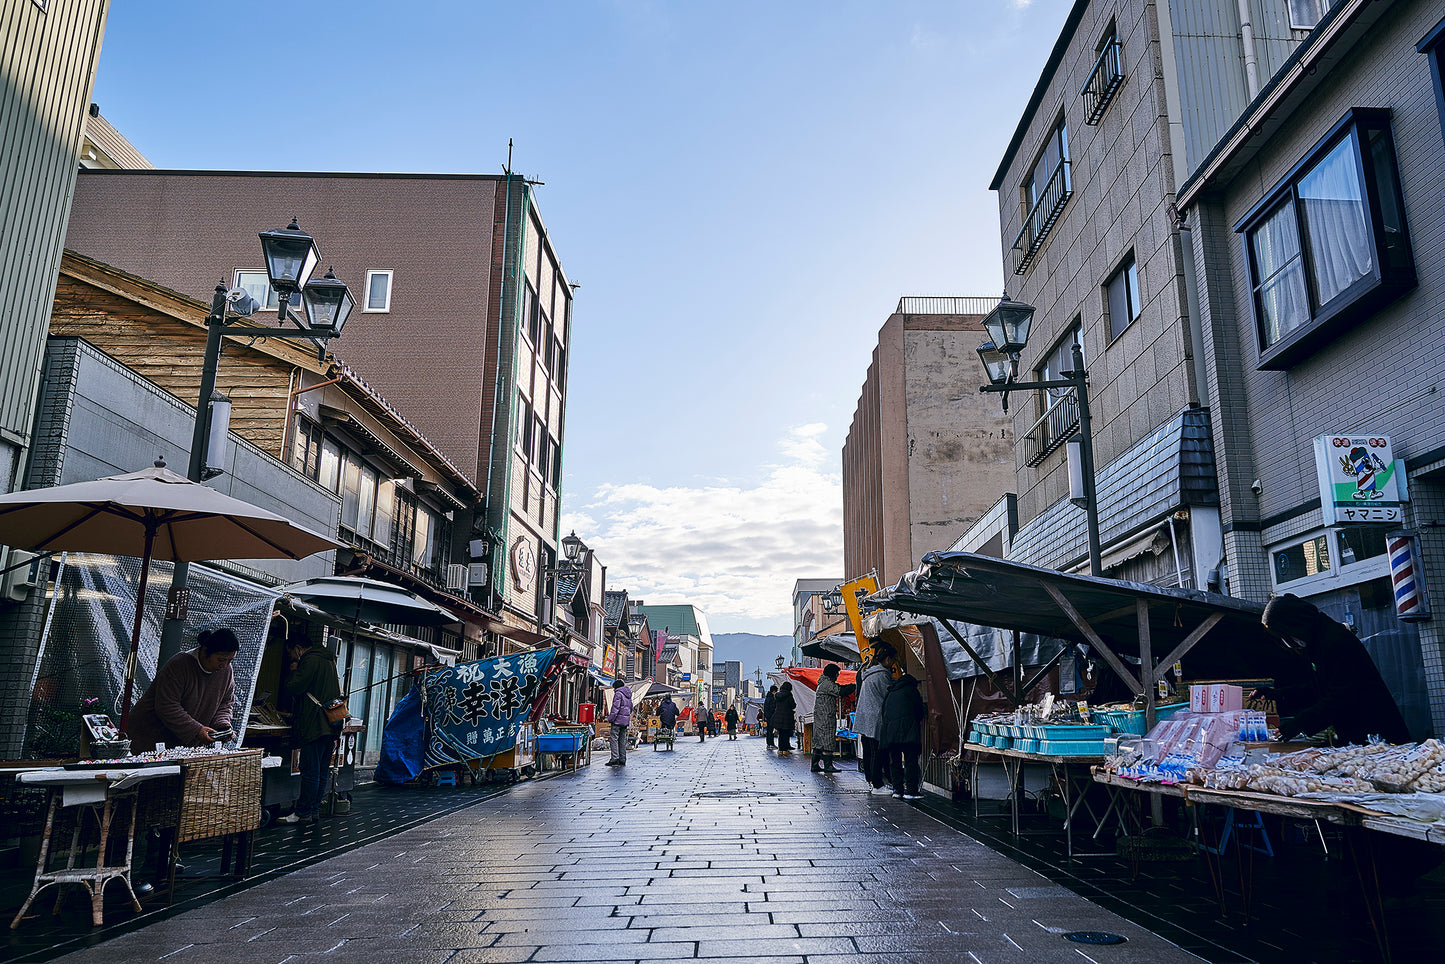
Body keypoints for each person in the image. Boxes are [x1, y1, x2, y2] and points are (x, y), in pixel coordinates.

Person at [1259, 593, 1411, 745]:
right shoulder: (1320, 640)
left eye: (1283, 635)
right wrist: (1277, 694)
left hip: (1374, 732)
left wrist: (1298, 724)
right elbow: (1320, 687)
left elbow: (1341, 696)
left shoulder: (1334, 642)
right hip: (1358, 730)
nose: (1285, 641)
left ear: (1293, 624)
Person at [127, 628, 239, 752]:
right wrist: (197, 730)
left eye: (230, 660)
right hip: (147, 737)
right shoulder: (179, 665)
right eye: (221, 660)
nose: (224, 665)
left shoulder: (226, 671)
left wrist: (222, 725)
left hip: (181, 745)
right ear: (205, 651)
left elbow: (225, 703)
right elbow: (167, 705)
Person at [280, 633, 343, 824]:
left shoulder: (310, 660)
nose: (293, 658)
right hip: (330, 723)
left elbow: (294, 687)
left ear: (298, 648)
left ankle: (303, 812)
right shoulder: (328, 660)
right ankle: (314, 809)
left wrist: (293, 671)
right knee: (322, 770)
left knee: (310, 770)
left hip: (315, 724)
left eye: (292, 654)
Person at [853, 646, 895, 794]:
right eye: (893, 660)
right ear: (888, 659)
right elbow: (888, 696)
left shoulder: (868, 673)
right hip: (875, 718)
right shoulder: (882, 675)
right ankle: (877, 785)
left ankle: (871, 781)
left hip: (865, 717)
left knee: (869, 751)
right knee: (878, 752)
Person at [879, 671, 925, 800]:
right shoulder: (911, 691)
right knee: (911, 760)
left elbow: (884, 712)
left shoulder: (891, 692)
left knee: (895, 761)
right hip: (908, 730)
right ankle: (911, 790)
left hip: (891, 732)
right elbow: (919, 711)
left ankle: (897, 789)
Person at [811, 664, 857, 773]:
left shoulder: (824, 683)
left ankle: (815, 764)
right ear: (832, 673)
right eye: (837, 673)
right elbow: (840, 691)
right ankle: (828, 765)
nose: (837, 676)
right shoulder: (827, 684)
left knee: (819, 742)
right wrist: (854, 685)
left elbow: (839, 687)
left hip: (822, 717)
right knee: (827, 741)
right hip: (825, 718)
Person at [606, 677, 633, 766]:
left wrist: (610, 718)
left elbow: (615, 708)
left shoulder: (618, 694)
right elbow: (631, 708)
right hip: (625, 721)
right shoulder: (628, 695)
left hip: (617, 721)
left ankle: (614, 758)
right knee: (622, 740)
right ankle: (622, 758)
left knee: (614, 739)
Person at [772, 681, 797, 752]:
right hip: (787, 717)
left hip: (778, 716)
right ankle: (785, 749)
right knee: (786, 733)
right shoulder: (789, 695)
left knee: (781, 733)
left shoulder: (777, 695)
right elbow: (793, 705)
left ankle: (781, 749)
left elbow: (774, 705)